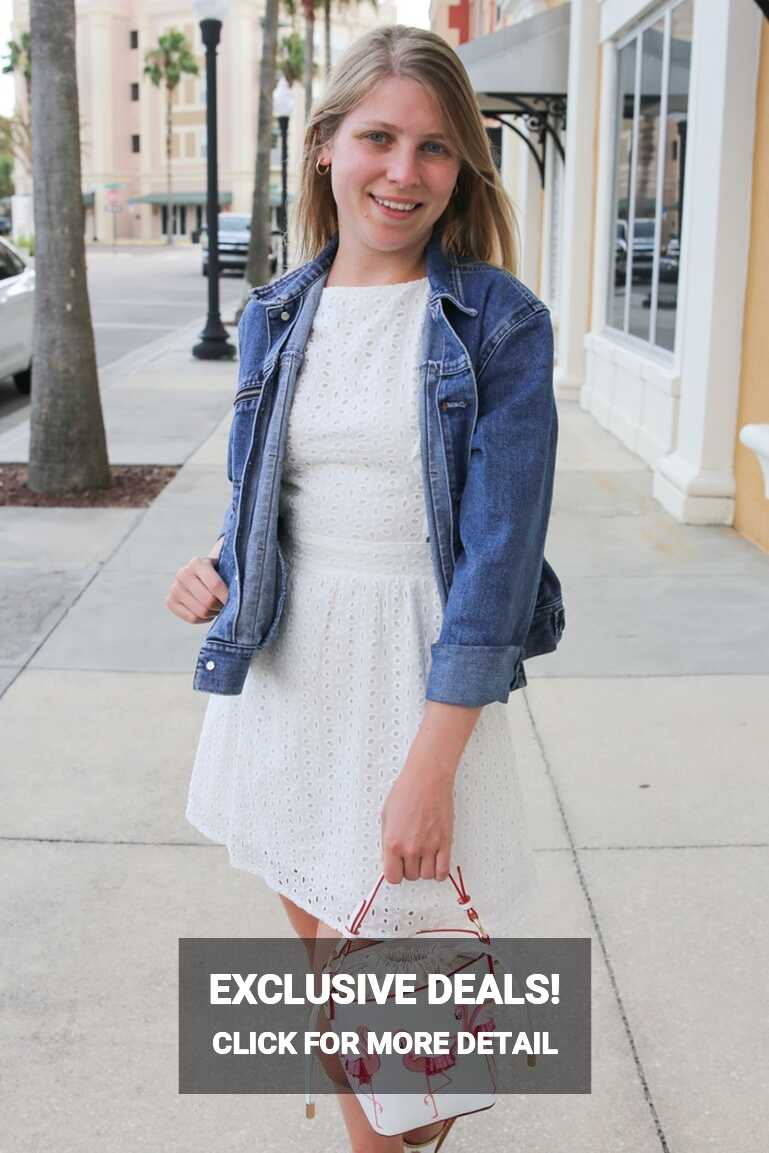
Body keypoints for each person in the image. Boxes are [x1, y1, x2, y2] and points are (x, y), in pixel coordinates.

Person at [166, 23, 564, 1153]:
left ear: (462, 171)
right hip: (293, 692)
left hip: (416, 690)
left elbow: (497, 560)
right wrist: (217, 571)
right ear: (326, 145)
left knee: (415, 1045)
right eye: (379, 138)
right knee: (346, 1008)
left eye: (435, 149)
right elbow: (273, 504)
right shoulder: (274, 316)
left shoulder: (498, 323)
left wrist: (428, 771)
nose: (403, 172)